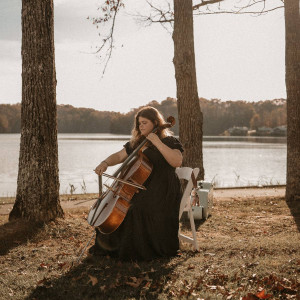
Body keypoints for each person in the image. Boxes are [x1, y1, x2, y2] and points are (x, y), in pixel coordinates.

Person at [89, 106, 184, 261]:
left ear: (155, 123)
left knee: (137, 209)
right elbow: (120, 156)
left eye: (144, 122)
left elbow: (177, 161)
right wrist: (105, 163)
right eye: (139, 123)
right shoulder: (138, 142)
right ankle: (114, 249)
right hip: (143, 188)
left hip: (164, 190)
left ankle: (138, 252)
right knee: (121, 208)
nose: (141, 126)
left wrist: (157, 142)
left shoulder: (169, 141)